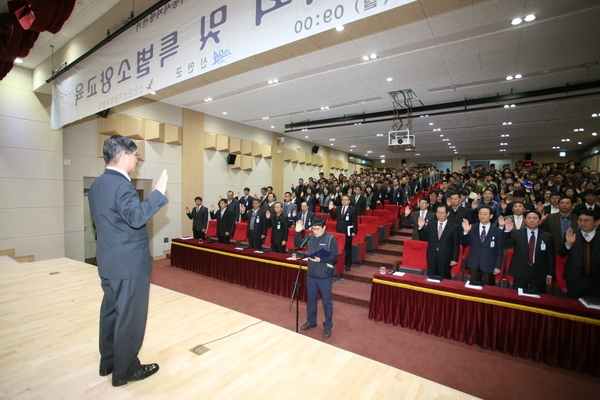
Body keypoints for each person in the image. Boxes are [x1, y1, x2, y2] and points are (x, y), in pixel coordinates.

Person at [88, 135, 168, 387]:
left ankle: (109, 362)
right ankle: (126, 370)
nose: (137, 159)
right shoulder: (122, 185)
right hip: (129, 266)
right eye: (135, 155)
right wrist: (158, 193)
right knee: (130, 318)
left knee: (111, 313)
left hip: (109, 263)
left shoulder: (98, 184)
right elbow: (135, 218)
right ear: (123, 156)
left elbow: (102, 224)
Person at [294, 216, 338, 338]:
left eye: (318, 229)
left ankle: (328, 326)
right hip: (311, 275)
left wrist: (321, 259)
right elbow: (298, 244)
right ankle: (311, 321)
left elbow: (335, 257)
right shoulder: (310, 236)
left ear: (324, 227)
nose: (315, 231)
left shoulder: (331, 239)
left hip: (324, 276)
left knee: (326, 303)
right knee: (311, 300)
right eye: (313, 229)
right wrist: (297, 232)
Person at [504, 211, 554, 293]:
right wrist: (507, 231)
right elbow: (506, 245)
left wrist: (549, 274)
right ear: (525, 220)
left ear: (540, 221)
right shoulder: (516, 233)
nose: (531, 220)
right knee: (518, 296)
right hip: (520, 270)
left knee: (537, 296)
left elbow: (550, 257)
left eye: (535, 218)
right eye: (529, 218)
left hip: (539, 271)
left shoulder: (547, 236)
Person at [558, 210, 600, 298]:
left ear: (597, 222)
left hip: (596, 280)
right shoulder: (571, 235)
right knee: (573, 307)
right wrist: (568, 244)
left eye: (586, 220)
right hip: (575, 279)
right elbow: (561, 254)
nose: (582, 223)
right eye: (580, 220)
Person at [461, 206, 504, 285]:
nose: (482, 216)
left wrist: (497, 266)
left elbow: (499, 251)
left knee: (488, 289)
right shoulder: (472, 227)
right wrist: (466, 232)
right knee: (474, 288)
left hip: (489, 264)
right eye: (480, 214)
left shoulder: (497, 231)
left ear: (491, 216)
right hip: (474, 263)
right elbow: (464, 243)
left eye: (485, 214)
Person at [417, 203, 460, 279]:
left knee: (444, 279)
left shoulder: (453, 226)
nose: (439, 215)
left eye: (442, 213)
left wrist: (454, 259)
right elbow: (423, 238)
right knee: (431, 278)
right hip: (432, 256)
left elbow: (456, 244)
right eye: (438, 212)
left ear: (447, 214)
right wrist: (421, 227)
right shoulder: (431, 224)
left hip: (446, 257)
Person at [329, 195, 358, 271]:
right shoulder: (338, 208)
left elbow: (355, 222)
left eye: (345, 200)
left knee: (347, 248)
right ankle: (338, 263)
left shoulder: (352, 209)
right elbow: (333, 217)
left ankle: (348, 264)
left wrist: (354, 231)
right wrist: (330, 210)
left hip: (348, 231)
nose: (344, 201)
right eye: (343, 200)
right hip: (339, 230)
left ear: (349, 201)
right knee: (338, 247)